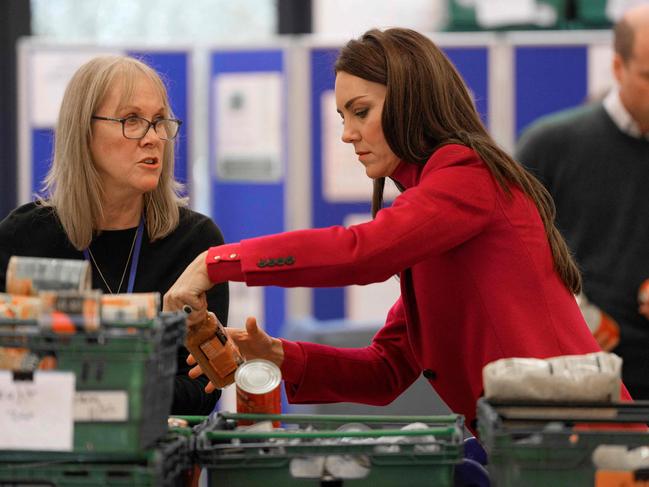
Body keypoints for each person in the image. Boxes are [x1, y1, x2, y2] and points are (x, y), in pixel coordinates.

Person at [165, 28, 620, 430]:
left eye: (360, 112)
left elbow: (361, 252)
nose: (347, 134)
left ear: (410, 100)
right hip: (536, 441)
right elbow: (385, 371)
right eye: (342, 116)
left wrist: (219, 261)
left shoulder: (465, 175)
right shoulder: (433, 213)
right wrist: (273, 354)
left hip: (576, 441)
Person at [0, 55, 228, 415]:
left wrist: (94, 391)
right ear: (84, 132)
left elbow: (203, 386)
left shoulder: (194, 241)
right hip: (44, 461)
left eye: (158, 122)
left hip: (153, 461)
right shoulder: (23, 239)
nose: (153, 138)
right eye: (132, 121)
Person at [516, 4, 649, 399]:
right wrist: (574, 312)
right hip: (582, 380)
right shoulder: (550, 146)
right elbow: (511, 255)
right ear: (618, 68)